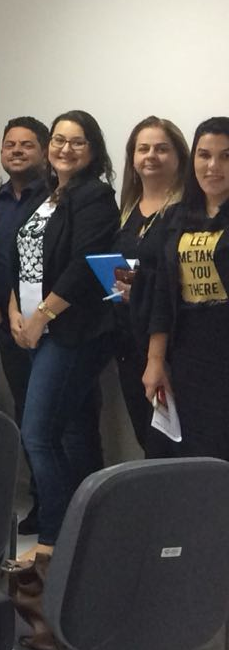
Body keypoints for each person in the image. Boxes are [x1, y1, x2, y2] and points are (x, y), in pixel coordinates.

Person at [8, 110, 117, 555]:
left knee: (38, 435)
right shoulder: (48, 195)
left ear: (92, 150)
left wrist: (40, 318)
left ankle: (54, 537)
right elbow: (24, 260)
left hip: (71, 332)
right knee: (71, 432)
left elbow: (83, 266)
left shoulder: (96, 197)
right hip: (39, 330)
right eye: (58, 140)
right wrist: (15, 308)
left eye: (77, 141)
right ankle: (88, 528)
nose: (65, 148)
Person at [144, 117, 229, 459]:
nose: (213, 166)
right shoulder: (177, 217)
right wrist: (155, 360)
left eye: (226, 156)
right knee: (193, 448)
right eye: (204, 155)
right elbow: (163, 294)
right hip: (188, 348)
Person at [0, 116, 51, 535]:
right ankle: (39, 501)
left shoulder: (54, 197)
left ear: (44, 151)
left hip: (51, 324)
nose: (16, 151)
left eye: (27, 145)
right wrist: (3, 310)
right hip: (9, 322)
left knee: (51, 420)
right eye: (10, 144)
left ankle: (57, 505)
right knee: (26, 409)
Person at [112, 117, 187, 451]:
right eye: (143, 149)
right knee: (146, 437)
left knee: (167, 442)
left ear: (178, 156)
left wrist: (140, 289)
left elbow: (173, 281)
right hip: (128, 344)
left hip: (169, 347)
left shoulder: (186, 212)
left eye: (161, 149)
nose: (151, 156)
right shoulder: (127, 209)